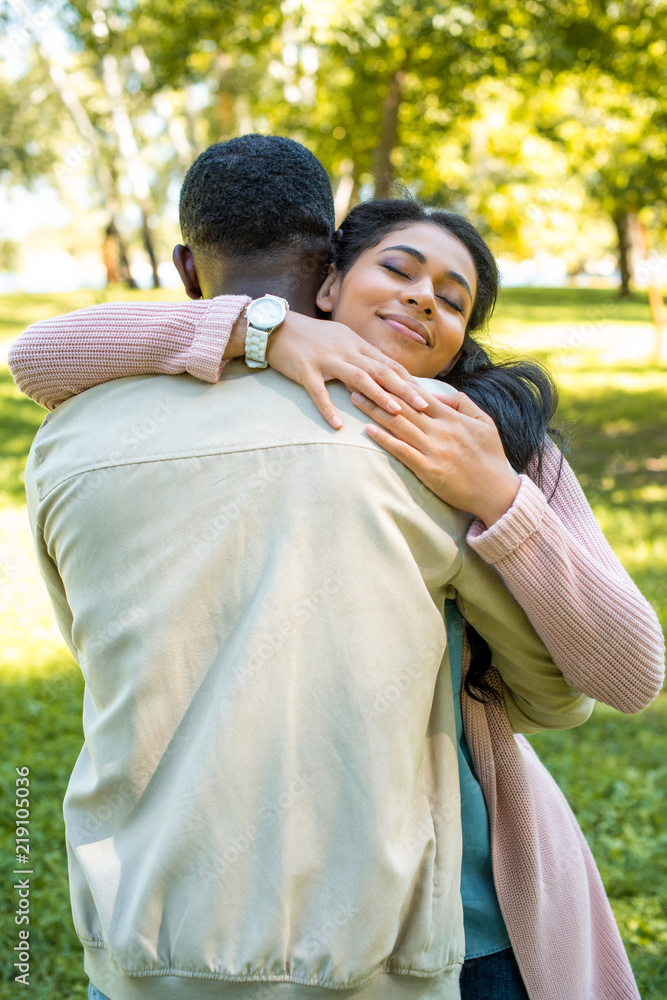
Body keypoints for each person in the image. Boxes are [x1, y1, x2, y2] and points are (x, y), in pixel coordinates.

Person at [12, 137, 663, 1000]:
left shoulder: (466, 433)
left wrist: (500, 495)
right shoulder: (392, 427)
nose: (420, 299)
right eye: (397, 268)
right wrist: (259, 334)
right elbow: (556, 695)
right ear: (327, 277)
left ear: (184, 266)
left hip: (167, 936)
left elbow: (625, 672)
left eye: (452, 297)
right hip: (407, 927)